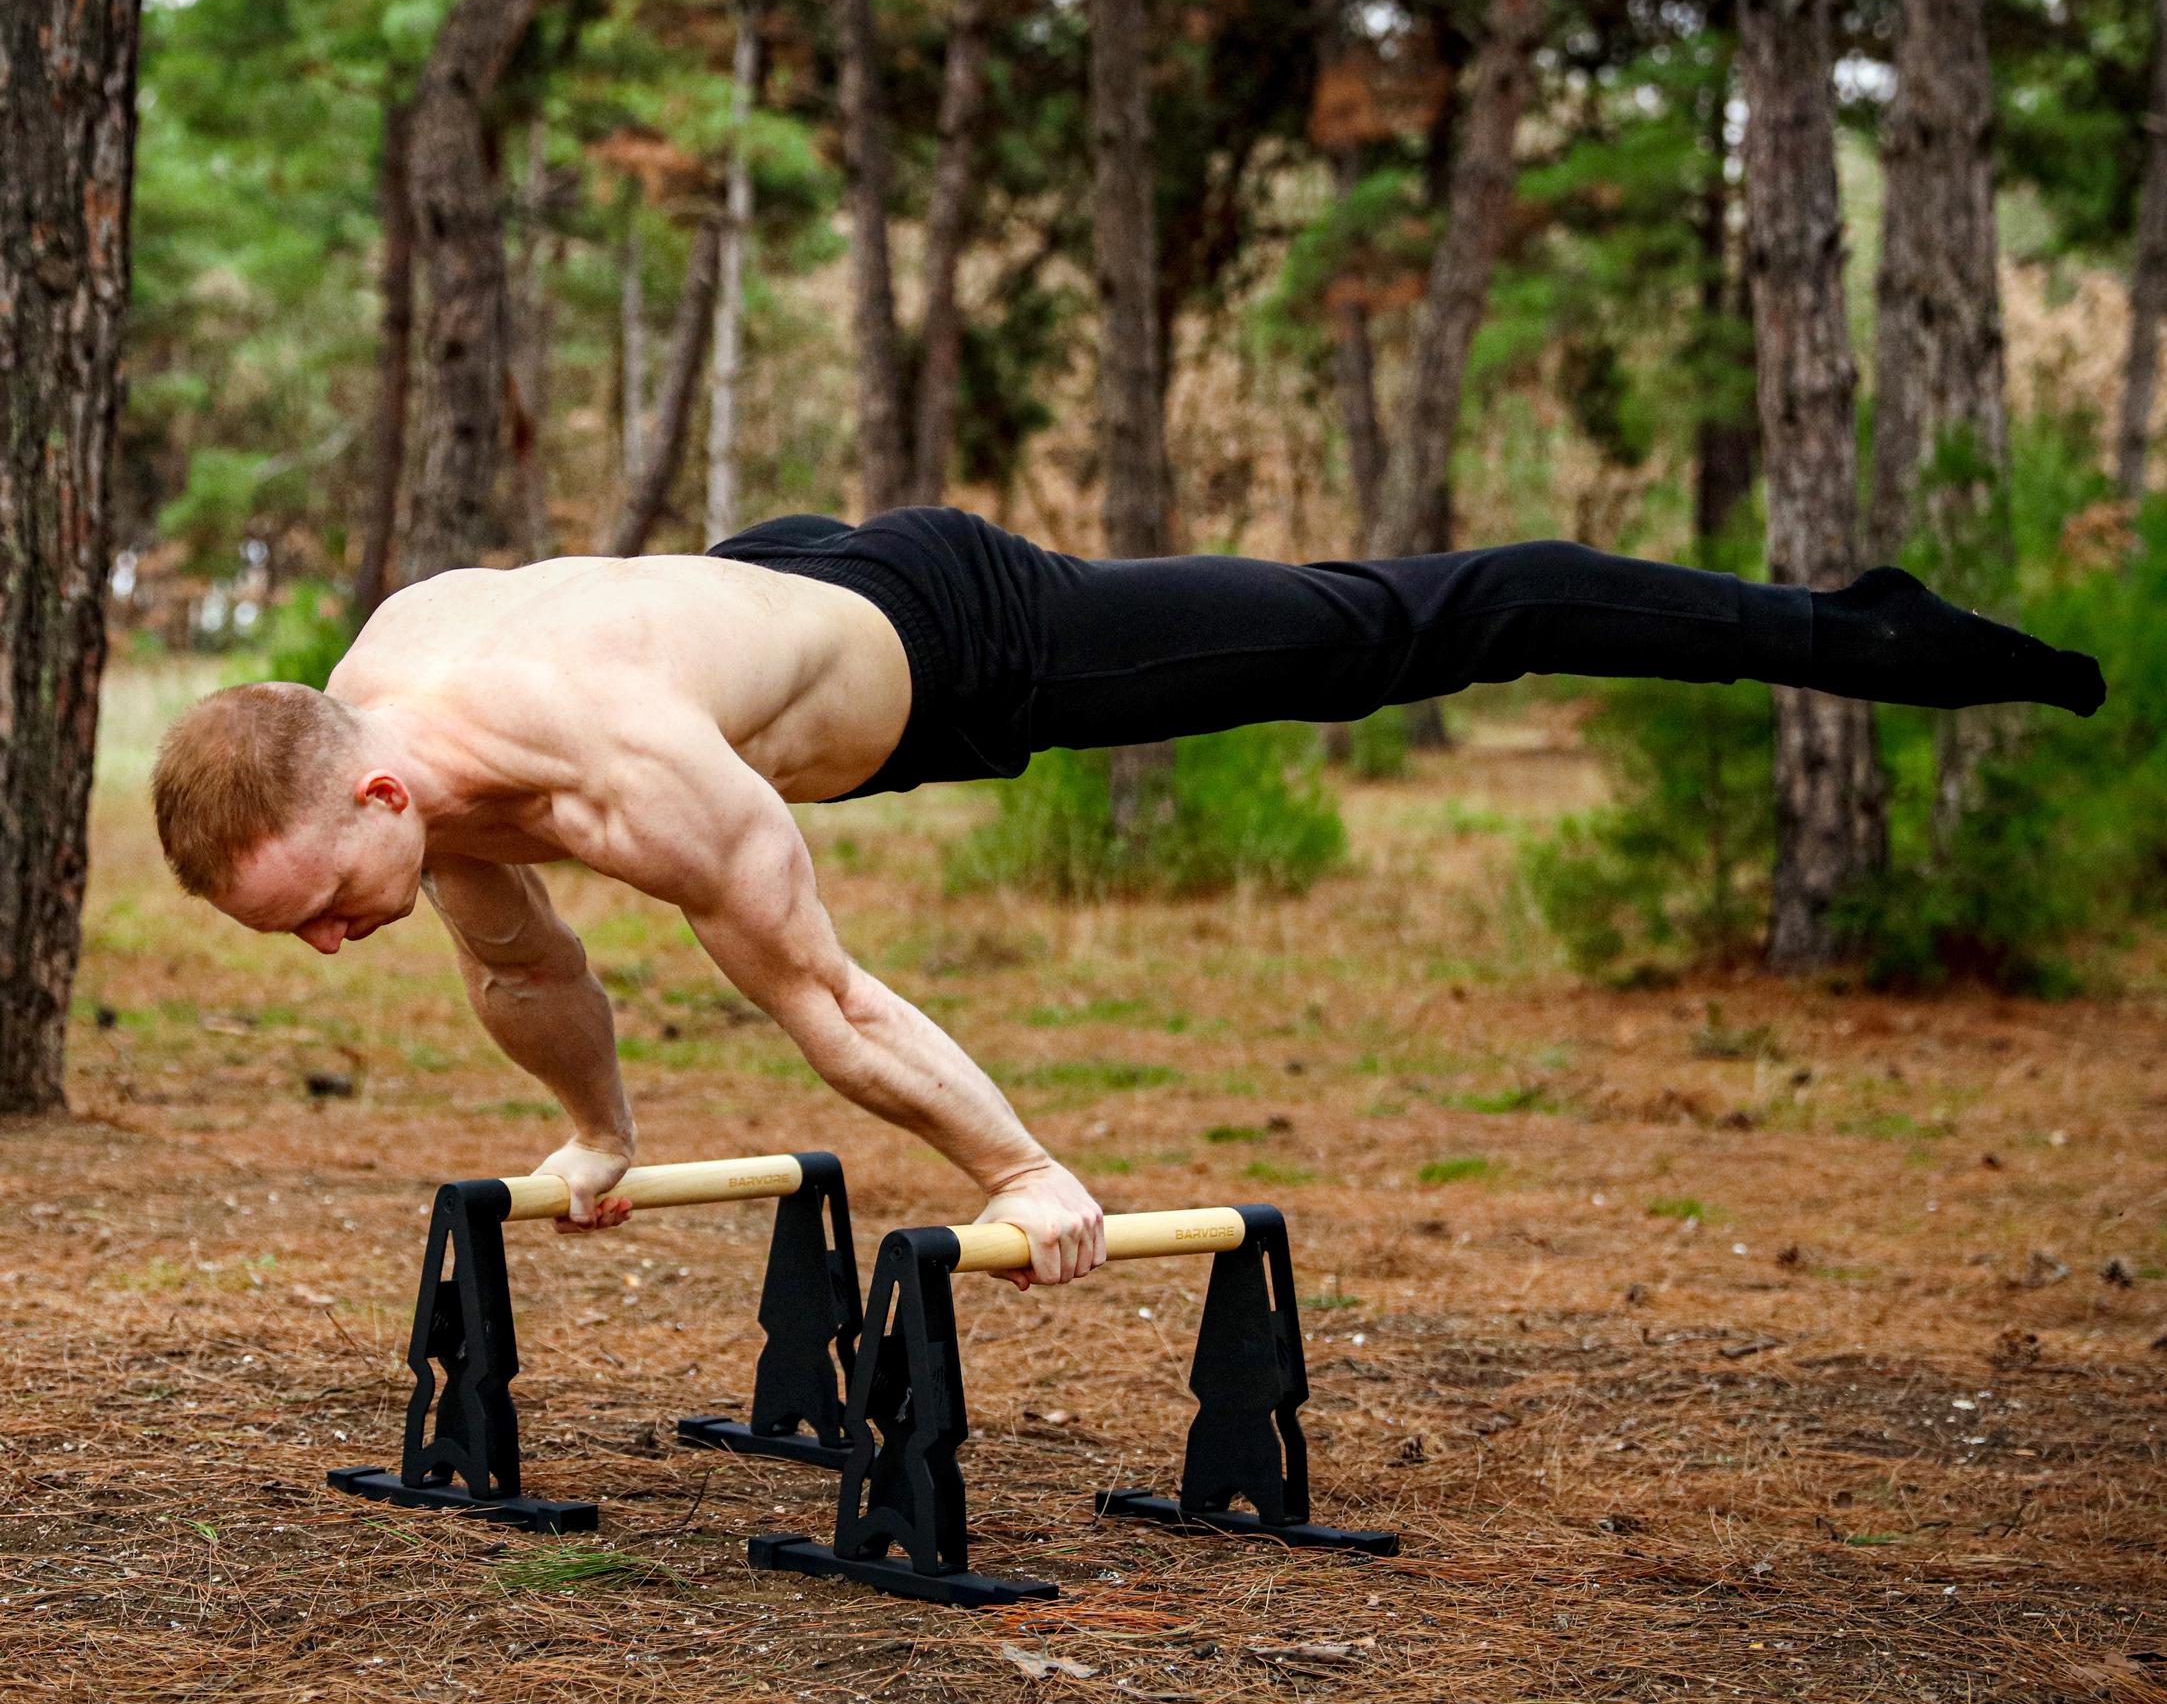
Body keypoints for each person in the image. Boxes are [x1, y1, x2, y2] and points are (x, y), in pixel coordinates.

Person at [151, 507, 2104, 1286]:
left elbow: (823, 1001)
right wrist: (593, 1134)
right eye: (299, 933)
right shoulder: (374, 720)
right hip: (750, 598)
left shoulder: (611, 769)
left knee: (1401, 629)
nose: (335, 944)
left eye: (329, 906)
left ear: (382, 790)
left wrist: (1021, 1173)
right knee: (510, 919)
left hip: (956, 633)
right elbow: (515, 950)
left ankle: (1852, 632)